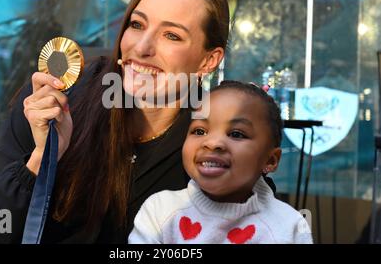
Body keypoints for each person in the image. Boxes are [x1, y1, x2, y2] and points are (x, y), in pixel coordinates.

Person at [0, 0, 230, 243]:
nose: (141, 47)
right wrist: (42, 159)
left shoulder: (222, 144)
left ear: (209, 60)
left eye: (171, 35)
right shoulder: (53, 103)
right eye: (137, 24)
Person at [128, 81, 313, 244]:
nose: (212, 143)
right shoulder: (160, 210)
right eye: (200, 131)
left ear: (270, 160)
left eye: (236, 134)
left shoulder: (289, 226)